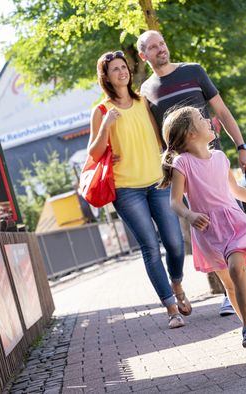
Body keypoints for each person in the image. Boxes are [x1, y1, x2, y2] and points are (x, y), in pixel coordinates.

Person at [137, 30, 246, 316]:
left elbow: (223, 112)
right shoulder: (146, 91)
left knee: (227, 214)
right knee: (206, 227)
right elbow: (158, 138)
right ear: (144, 56)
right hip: (186, 171)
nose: (160, 50)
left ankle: (235, 286)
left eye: (162, 43)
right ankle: (229, 288)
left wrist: (241, 147)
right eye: (153, 48)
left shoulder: (193, 71)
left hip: (212, 160)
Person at [159, 106, 246, 350]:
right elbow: (175, 201)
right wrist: (190, 215)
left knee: (238, 270)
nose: (207, 121)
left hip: (234, 223)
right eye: (201, 119)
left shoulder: (220, 158)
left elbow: (234, 191)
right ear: (190, 134)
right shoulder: (183, 163)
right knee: (229, 284)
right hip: (208, 231)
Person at [88, 50, 191, 329]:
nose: (122, 72)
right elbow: (95, 153)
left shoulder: (144, 102)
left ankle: (177, 284)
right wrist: (106, 128)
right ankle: (171, 308)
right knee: (150, 247)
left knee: (174, 242)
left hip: (158, 182)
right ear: (106, 77)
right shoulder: (101, 112)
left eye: (124, 68)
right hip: (126, 189)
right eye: (115, 70)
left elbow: (161, 139)